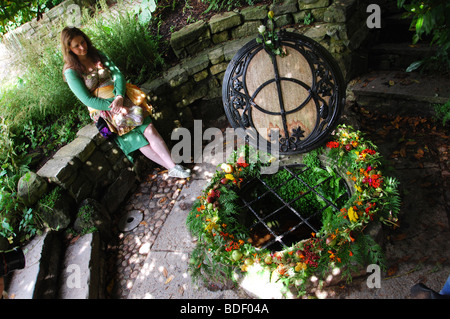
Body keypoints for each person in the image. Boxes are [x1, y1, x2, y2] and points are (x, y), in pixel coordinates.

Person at [60, 26, 190, 178]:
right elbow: (87, 99)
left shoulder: (96, 55)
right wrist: (115, 107)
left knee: (148, 129)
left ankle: (174, 167)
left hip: (122, 97)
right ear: (69, 49)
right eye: (77, 46)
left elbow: (117, 74)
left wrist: (120, 97)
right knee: (138, 141)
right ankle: (173, 168)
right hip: (105, 110)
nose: (83, 47)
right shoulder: (71, 71)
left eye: (83, 42)